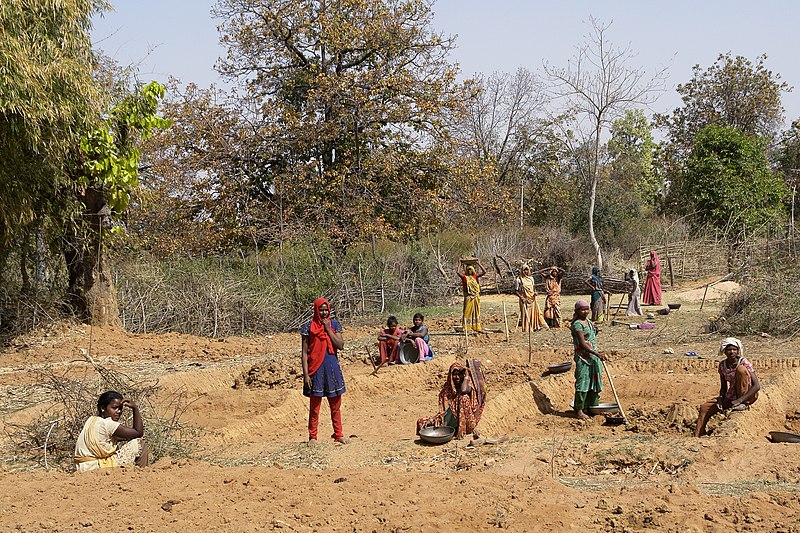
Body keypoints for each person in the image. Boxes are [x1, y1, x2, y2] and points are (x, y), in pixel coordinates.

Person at [301, 297, 348, 446]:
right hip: (315, 370)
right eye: (321, 310)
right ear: (316, 310)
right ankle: (313, 436)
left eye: (326, 309)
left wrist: (328, 329)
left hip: (332, 368)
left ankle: (338, 434)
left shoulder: (334, 324)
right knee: (315, 407)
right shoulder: (308, 327)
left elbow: (340, 345)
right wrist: (306, 374)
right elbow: (304, 352)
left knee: (335, 405)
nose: (323, 312)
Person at [694, 338, 760, 437]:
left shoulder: (743, 363)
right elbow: (724, 387)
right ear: (724, 351)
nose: (732, 352)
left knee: (741, 370)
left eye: (734, 349)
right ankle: (697, 436)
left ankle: (743, 404)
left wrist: (740, 400)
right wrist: (721, 399)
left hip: (747, 396)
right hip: (732, 395)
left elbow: (757, 386)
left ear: (738, 350)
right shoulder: (722, 365)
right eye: (729, 350)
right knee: (705, 408)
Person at [73, 391, 149, 473]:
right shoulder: (107, 424)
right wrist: (135, 408)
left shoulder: (91, 420)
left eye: (120, 408)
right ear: (102, 408)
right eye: (114, 408)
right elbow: (138, 433)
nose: (119, 411)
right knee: (138, 443)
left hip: (82, 468)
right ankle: (142, 474)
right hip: (96, 467)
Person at [416, 360, 486, 439]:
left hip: (466, 423)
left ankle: (461, 430)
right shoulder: (447, 388)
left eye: (459, 374)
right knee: (421, 422)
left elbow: (463, 390)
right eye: (454, 375)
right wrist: (435, 419)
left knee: (464, 398)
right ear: (450, 375)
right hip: (449, 420)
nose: (457, 377)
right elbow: (444, 411)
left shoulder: (467, 386)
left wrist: (466, 376)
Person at [570, 300, 607, 420]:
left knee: (593, 381)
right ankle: (579, 409)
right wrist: (597, 354)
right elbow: (582, 343)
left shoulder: (588, 322)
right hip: (583, 357)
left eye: (587, 309)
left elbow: (590, 338)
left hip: (593, 356)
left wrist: (595, 330)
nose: (585, 312)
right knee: (583, 382)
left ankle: (591, 406)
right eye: (582, 309)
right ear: (577, 311)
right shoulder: (577, 324)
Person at [514, 264, 548, 332]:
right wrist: (522, 298)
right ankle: (527, 329)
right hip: (524, 300)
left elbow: (533, 288)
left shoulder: (531, 278)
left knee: (535, 313)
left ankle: (536, 327)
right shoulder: (518, 280)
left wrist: (535, 292)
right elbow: (516, 291)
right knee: (526, 315)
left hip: (532, 299)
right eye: (524, 270)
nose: (526, 271)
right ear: (522, 271)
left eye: (527, 270)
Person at [457, 259, 487, 332]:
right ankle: (467, 327)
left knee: (476, 311)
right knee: (467, 312)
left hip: (476, 297)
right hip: (469, 297)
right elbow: (458, 272)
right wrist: (460, 264)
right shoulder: (464, 278)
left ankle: (476, 327)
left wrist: (479, 264)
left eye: (471, 269)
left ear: (473, 270)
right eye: (468, 269)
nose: (469, 271)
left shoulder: (475, 277)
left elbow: (484, 272)